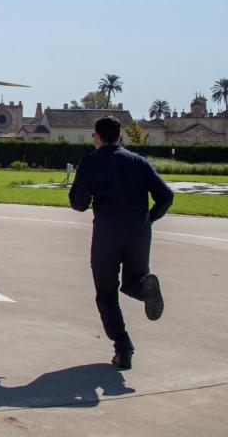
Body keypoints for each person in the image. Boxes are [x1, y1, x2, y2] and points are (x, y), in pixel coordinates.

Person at [69, 116, 174, 370]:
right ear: (120, 137)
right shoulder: (139, 162)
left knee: (106, 294)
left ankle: (123, 348)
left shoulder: (90, 163)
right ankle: (145, 285)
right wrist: (150, 217)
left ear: (97, 137)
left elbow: (79, 203)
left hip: (107, 233)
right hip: (139, 231)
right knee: (133, 281)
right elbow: (166, 195)